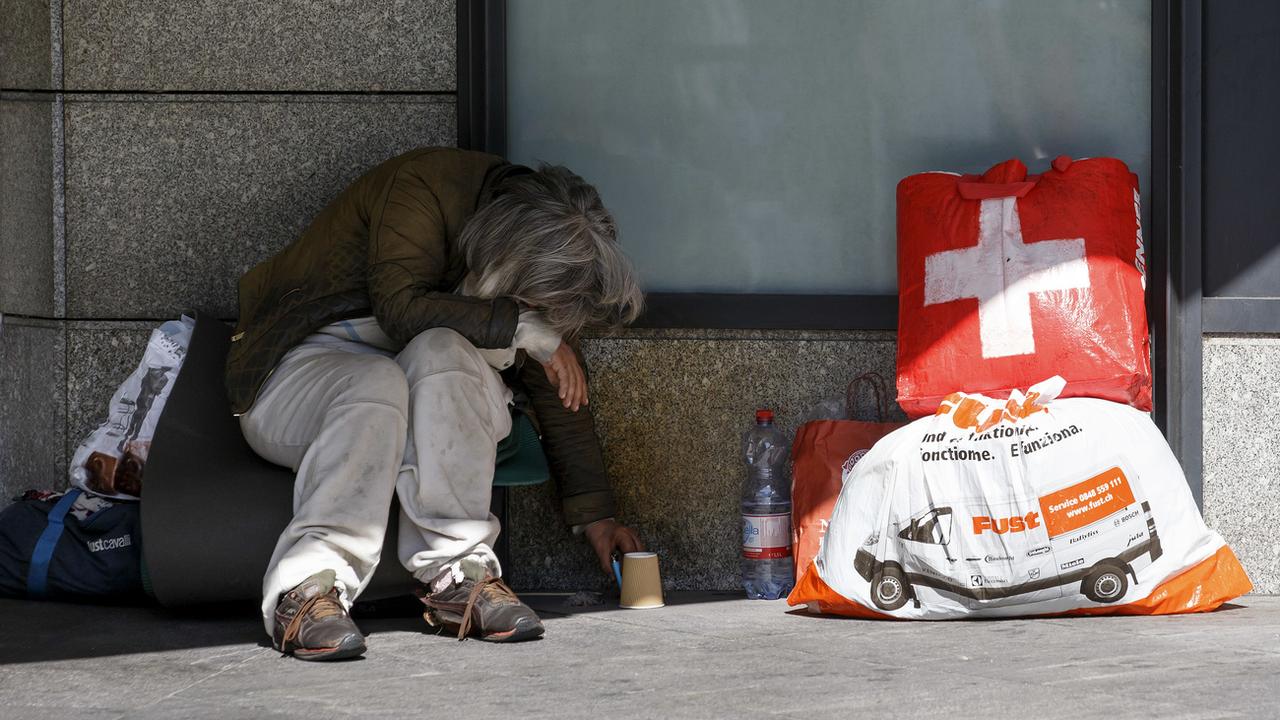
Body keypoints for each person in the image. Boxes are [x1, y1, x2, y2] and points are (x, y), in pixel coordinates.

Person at [224, 147, 646, 660]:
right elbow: (400, 307)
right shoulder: (422, 188)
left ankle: (460, 577)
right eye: (529, 305)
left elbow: (559, 386)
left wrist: (596, 514)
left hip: (423, 391)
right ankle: (307, 588)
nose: (534, 319)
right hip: (302, 378)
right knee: (376, 381)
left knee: (443, 349)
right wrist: (518, 324)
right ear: (505, 259)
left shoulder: (533, 259)